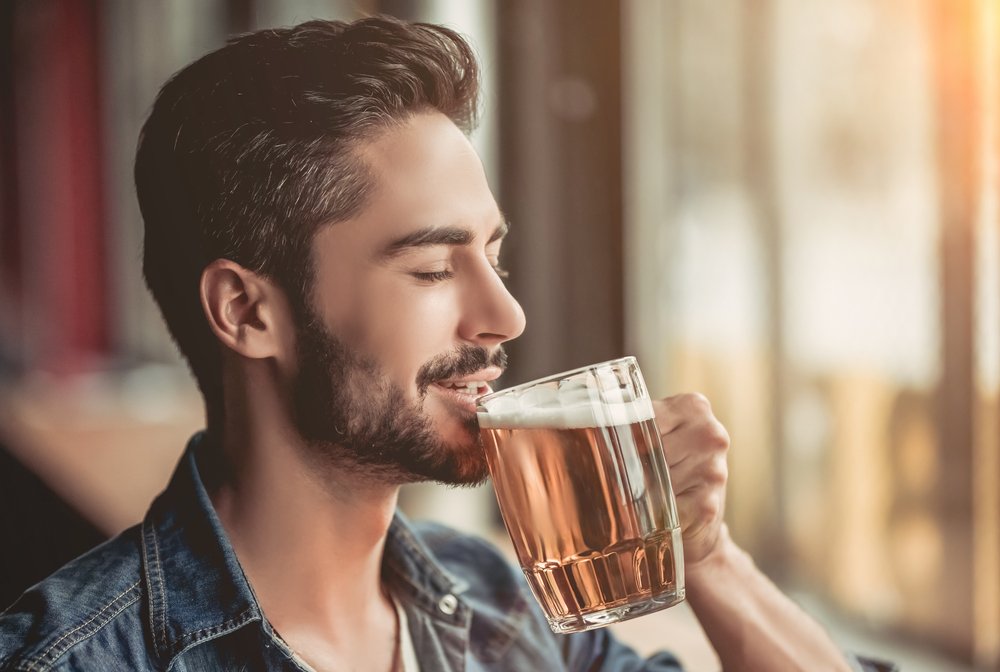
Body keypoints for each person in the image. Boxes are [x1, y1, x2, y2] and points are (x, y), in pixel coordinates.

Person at [0, 16, 895, 672]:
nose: (506, 315)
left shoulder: (498, 612)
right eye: (433, 269)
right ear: (246, 312)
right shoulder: (71, 661)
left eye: (494, 256)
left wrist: (706, 558)